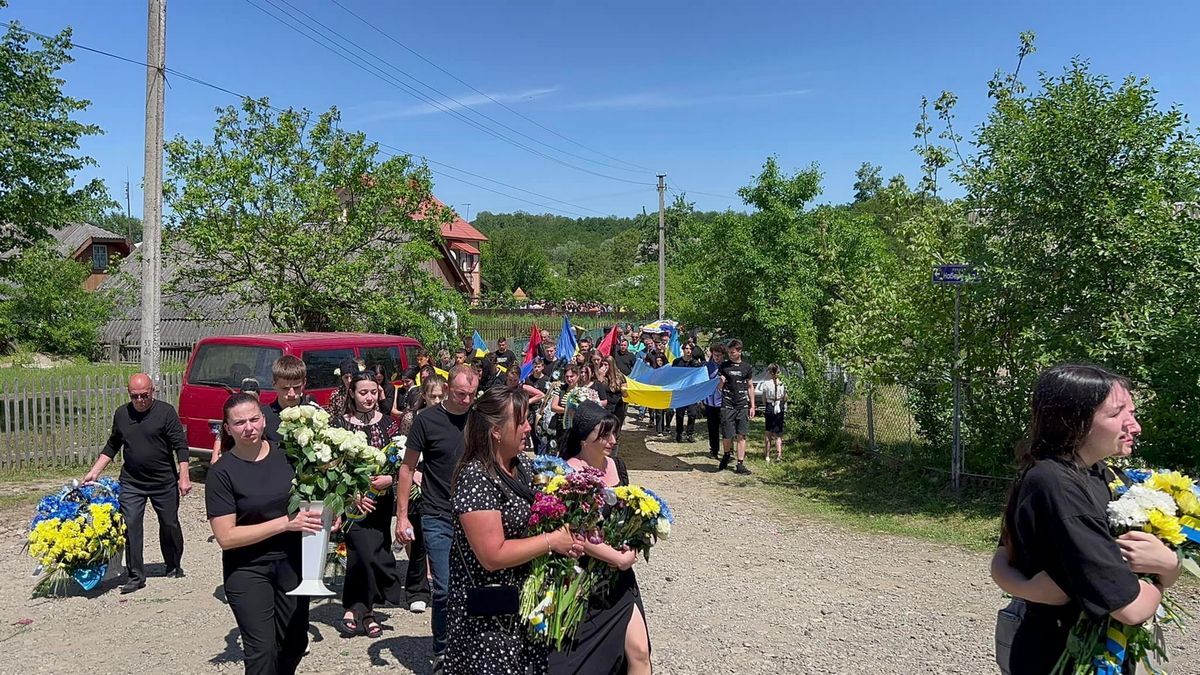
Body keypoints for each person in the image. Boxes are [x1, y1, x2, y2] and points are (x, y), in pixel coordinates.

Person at [999, 364, 1179, 673]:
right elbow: (1132, 608)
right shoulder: (1058, 485)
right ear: (1073, 421)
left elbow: (1003, 555)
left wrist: (1166, 565)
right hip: (1063, 656)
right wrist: (1167, 572)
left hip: (1094, 652)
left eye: (1133, 413)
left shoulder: (1100, 473)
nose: (1135, 427)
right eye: (1117, 415)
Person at [445, 387, 581, 674]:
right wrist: (551, 541)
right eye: (520, 422)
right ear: (496, 431)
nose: (528, 427)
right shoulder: (476, 477)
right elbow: (492, 555)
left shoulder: (522, 467)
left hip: (522, 609)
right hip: (488, 621)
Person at [206, 393, 323, 675]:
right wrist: (285, 523)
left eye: (254, 419)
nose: (249, 427)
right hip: (248, 568)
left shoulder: (289, 455)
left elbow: (315, 494)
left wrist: (332, 511)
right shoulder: (222, 473)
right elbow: (227, 537)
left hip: (292, 563)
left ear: (263, 419)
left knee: (294, 643)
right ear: (227, 428)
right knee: (262, 652)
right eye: (240, 422)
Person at [551, 402, 651, 674]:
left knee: (640, 653)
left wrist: (634, 544)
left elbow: (629, 514)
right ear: (585, 437)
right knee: (586, 662)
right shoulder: (568, 473)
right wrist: (617, 558)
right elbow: (573, 533)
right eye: (605, 434)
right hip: (584, 579)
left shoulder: (618, 465)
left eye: (614, 434)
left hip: (621, 578)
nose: (613, 441)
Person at [396, 365, 480, 672]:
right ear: (447, 390)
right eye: (461, 394)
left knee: (474, 586)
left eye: (472, 394)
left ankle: (470, 643)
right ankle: (442, 649)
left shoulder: (479, 418)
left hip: (475, 514)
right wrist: (402, 516)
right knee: (444, 587)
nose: (467, 400)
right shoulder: (426, 420)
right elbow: (407, 468)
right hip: (437, 513)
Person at [82, 373, 189, 594]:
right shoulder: (122, 414)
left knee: (169, 524)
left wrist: (184, 476)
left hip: (163, 481)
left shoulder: (166, 413)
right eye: (135, 396)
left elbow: (180, 446)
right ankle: (135, 576)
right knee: (130, 526)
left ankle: (173, 564)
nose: (140, 400)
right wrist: (94, 472)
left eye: (144, 395)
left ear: (153, 391)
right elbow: (113, 445)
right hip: (132, 482)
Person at [333, 371, 404, 639]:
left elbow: (400, 460)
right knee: (360, 555)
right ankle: (360, 610)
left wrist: (391, 478)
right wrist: (353, 495)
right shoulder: (340, 425)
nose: (369, 397)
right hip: (354, 503)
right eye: (363, 392)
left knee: (377, 554)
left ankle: (362, 609)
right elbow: (333, 467)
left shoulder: (388, 425)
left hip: (381, 503)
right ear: (352, 393)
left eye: (373, 392)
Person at [718, 339, 755, 475]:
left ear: (739, 352)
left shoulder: (747, 367)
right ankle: (727, 454)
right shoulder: (724, 366)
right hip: (727, 404)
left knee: (741, 435)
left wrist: (752, 405)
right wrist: (720, 383)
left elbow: (750, 386)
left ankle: (740, 464)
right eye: (729, 352)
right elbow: (718, 386)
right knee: (727, 434)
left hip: (742, 405)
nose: (730, 355)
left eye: (732, 352)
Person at [672, 347, 703, 443]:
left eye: (690, 349)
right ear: (683, 349)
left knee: (692, 414)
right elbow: (672, 375)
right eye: (686, 348)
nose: (688, 351)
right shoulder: (676, 362)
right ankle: (679, 433)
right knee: (680, 414)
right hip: (680, 392)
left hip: (691, 392)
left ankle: (690, 434)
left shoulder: (695, 363)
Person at [756, 364, 787, 462]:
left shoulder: (766, 384)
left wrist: (767, 405)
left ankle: (767, 456)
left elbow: (764, 399)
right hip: (779, 406)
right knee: (778, 433)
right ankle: (778, 455)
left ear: (769, 372)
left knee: (768, 432)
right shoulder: (782, 383)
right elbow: (785, 398)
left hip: (770, 406)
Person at [703, 344, 725, 460]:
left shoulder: (726, 366)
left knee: (726, 427)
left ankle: (728, 449)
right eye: (715, 355)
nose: (717, 357)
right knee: (713, 427)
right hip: (710, 401)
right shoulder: (706, 366)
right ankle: (714, 450)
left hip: (724, 401)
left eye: (719, 355)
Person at [602, 355, 628, 434]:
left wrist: (624, 390)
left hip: (618, 406)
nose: (604, 367)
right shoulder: (601, 377)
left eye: (606, 365)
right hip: (606, 407)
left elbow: (625, 393)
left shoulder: (620, 376)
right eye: (602, 364)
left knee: (616, 429)